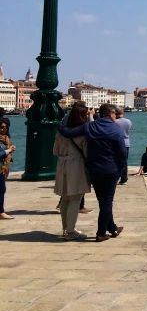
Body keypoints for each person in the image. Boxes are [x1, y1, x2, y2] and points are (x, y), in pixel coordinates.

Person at [58, 102, 126, 242]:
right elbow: (122, 154)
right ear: (111, 114)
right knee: (107, 201)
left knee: (103, 201)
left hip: (94, 170)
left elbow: (67, 133)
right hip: (111, 170)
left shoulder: (90, 126)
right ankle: (101, 233)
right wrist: (119, 170)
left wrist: (58, 124)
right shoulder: (116, 130)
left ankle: (112, 228)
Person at [53, 102, 91, 239]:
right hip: (76, 165)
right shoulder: (83, 132)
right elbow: (87, 153)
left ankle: (65, 228)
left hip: (62, 164)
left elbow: (55, 151)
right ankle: (70, 231)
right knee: (75, 197)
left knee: (65, 197)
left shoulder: (60, 132)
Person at [0, 117, 16, 220]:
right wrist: (8, 151)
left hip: (2, 168)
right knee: (1, 189)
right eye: (1, 127)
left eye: (6, 127)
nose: (4, 129)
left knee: (2, 189)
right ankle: (1, 212)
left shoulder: (5, 139)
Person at [115, 107, 132, 186]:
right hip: (127, 143)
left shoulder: (115, 122)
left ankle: (116, 178)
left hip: (117, 143)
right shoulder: (128, 121)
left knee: (116, 161)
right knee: (125, 161)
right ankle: (124, 179)